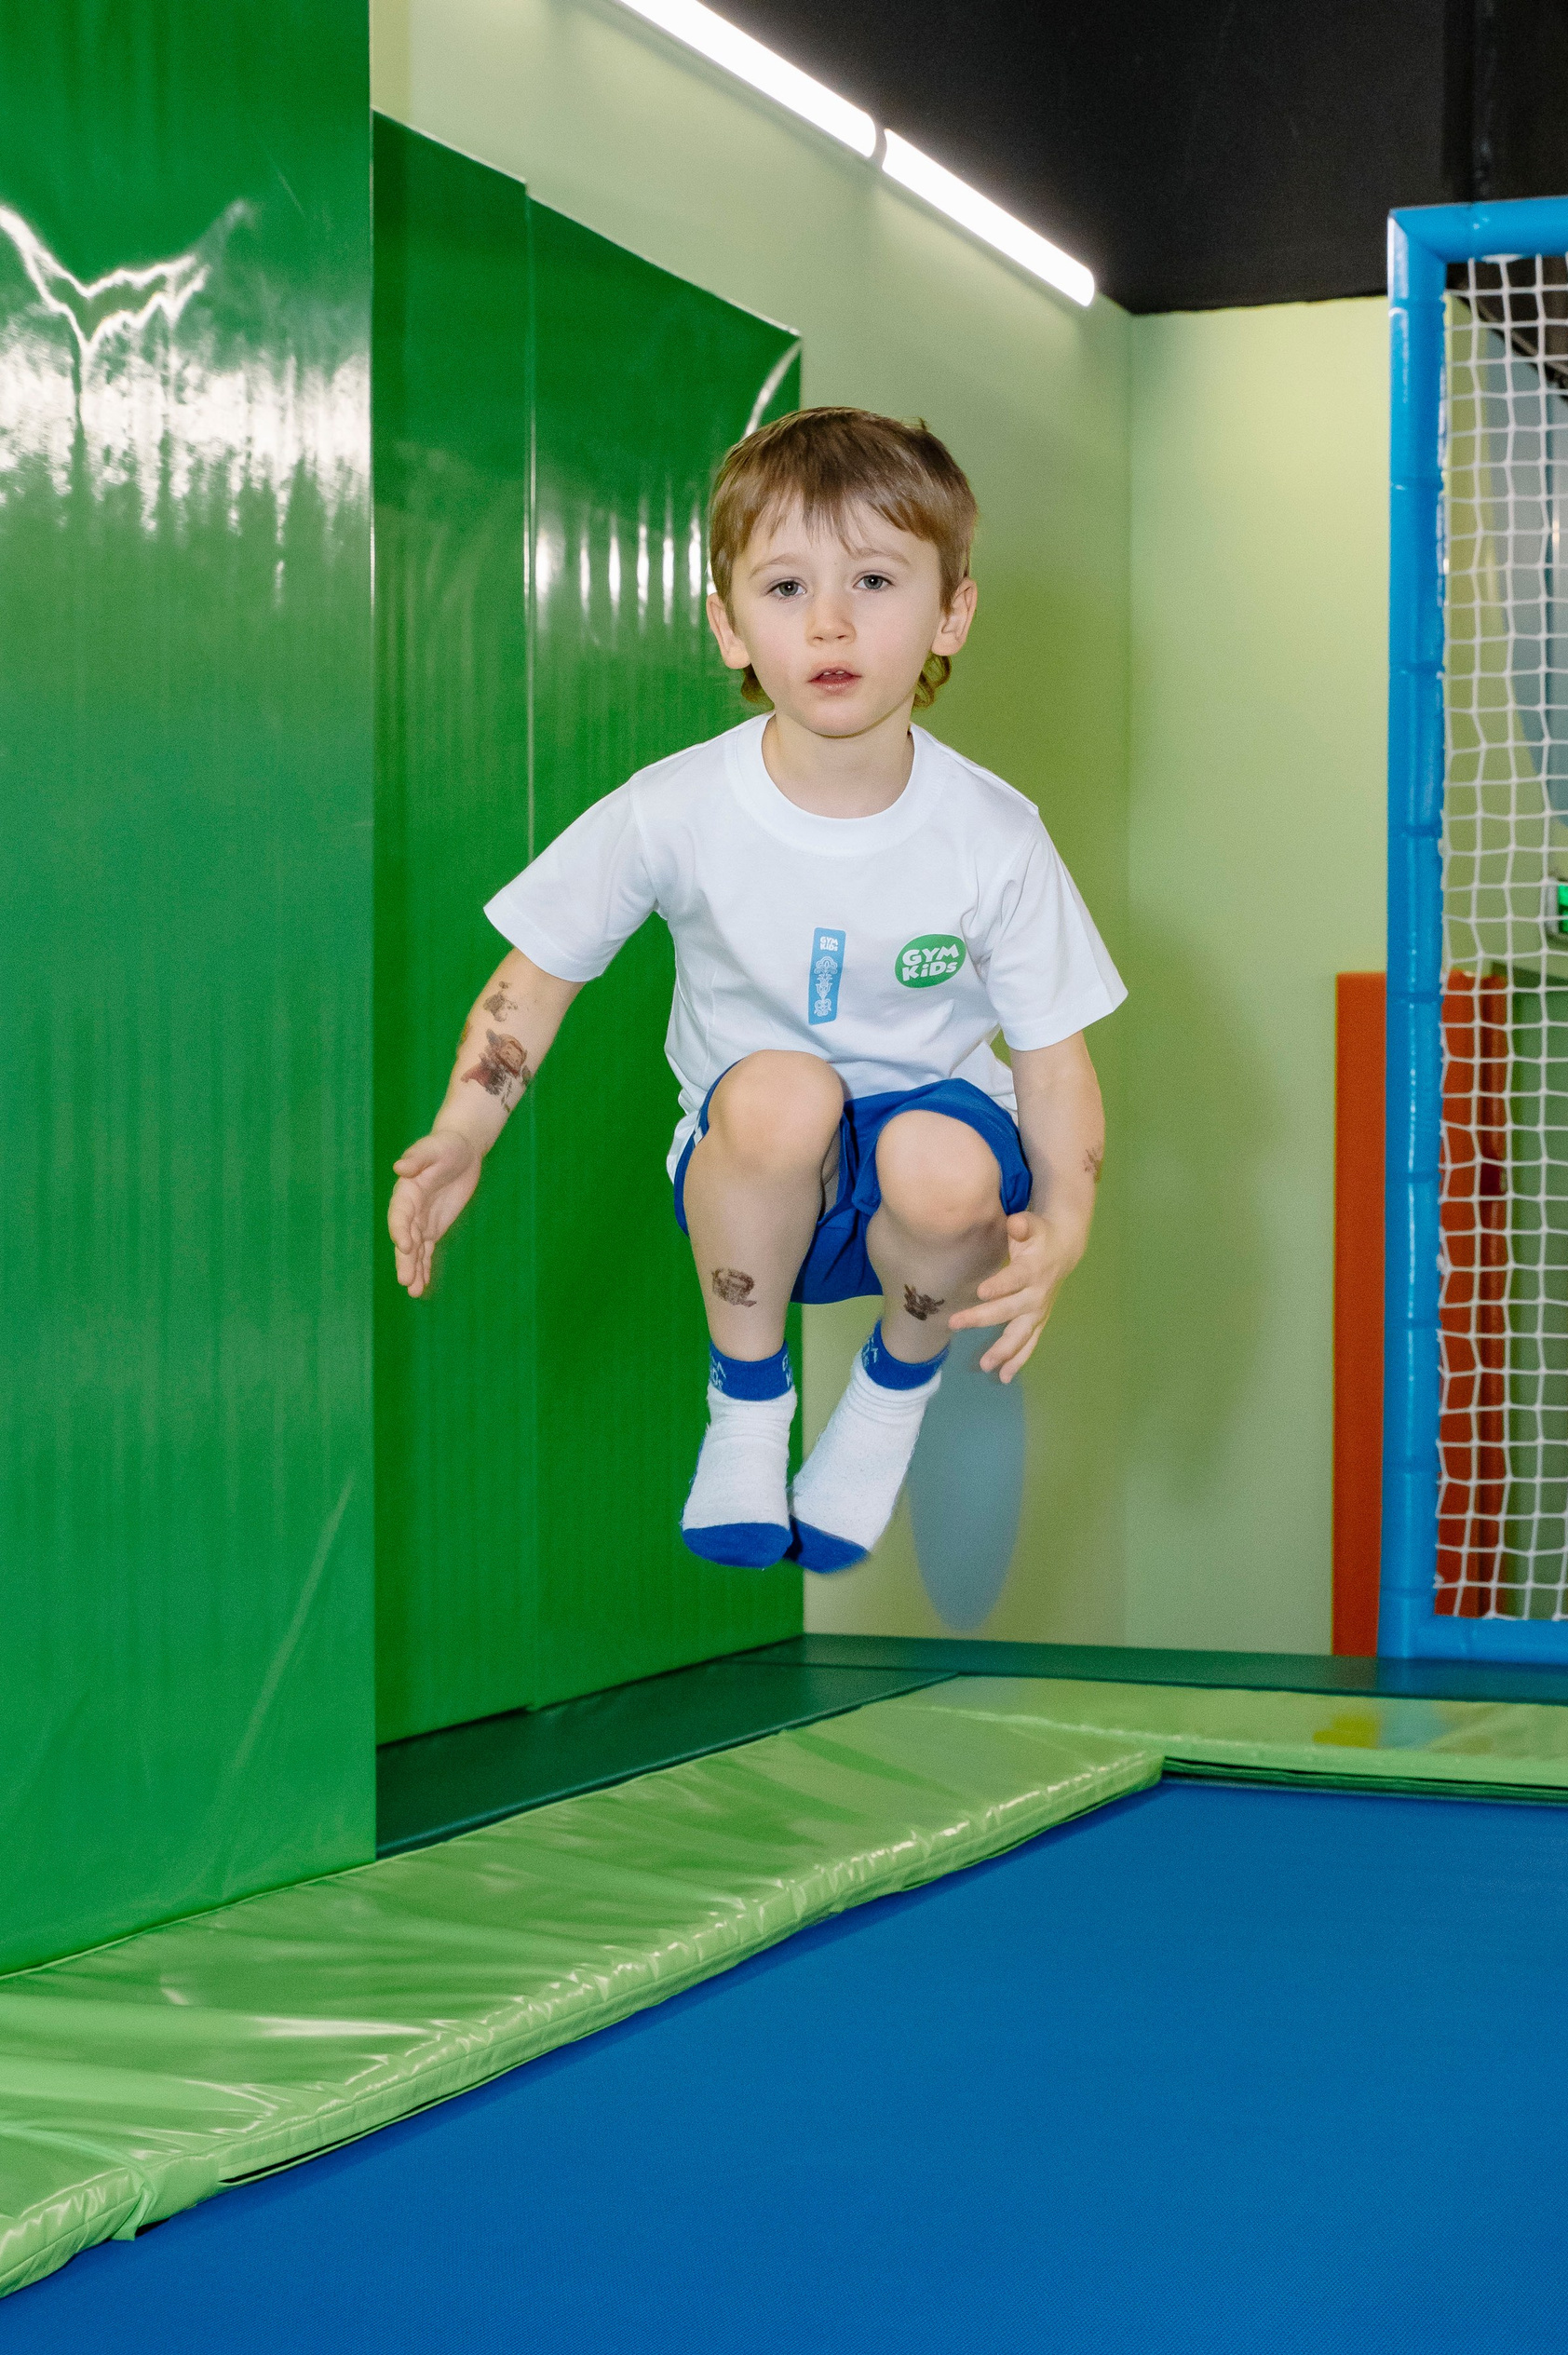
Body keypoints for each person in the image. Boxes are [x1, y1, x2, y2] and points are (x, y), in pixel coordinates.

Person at [387, 406, 1125, 1574]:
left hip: (935, 1199)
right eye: (786, 588)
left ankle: (888, 1399)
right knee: (781, 1091)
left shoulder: (993, 834)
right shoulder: (674, 807)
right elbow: (535, 979)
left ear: (952, 611)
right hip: (760, 1182)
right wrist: (463, 1130)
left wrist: (1069, 1229)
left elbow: (1052, 1059)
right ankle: (746, 1404)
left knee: (942, 1159)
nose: (830, 622)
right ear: (729, 627)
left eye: (873, 580)